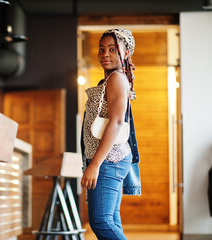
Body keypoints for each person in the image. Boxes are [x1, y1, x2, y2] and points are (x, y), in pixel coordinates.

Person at [80, 28, 141, 240]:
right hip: (110, 159)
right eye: (101, 49)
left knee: (101, 221)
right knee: (110, 220)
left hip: (109, 160)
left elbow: (115, 122)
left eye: (113, 49)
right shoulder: (112, 79)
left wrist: (94, 164)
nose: (105, 54)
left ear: (125, 54)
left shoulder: (116, 79)